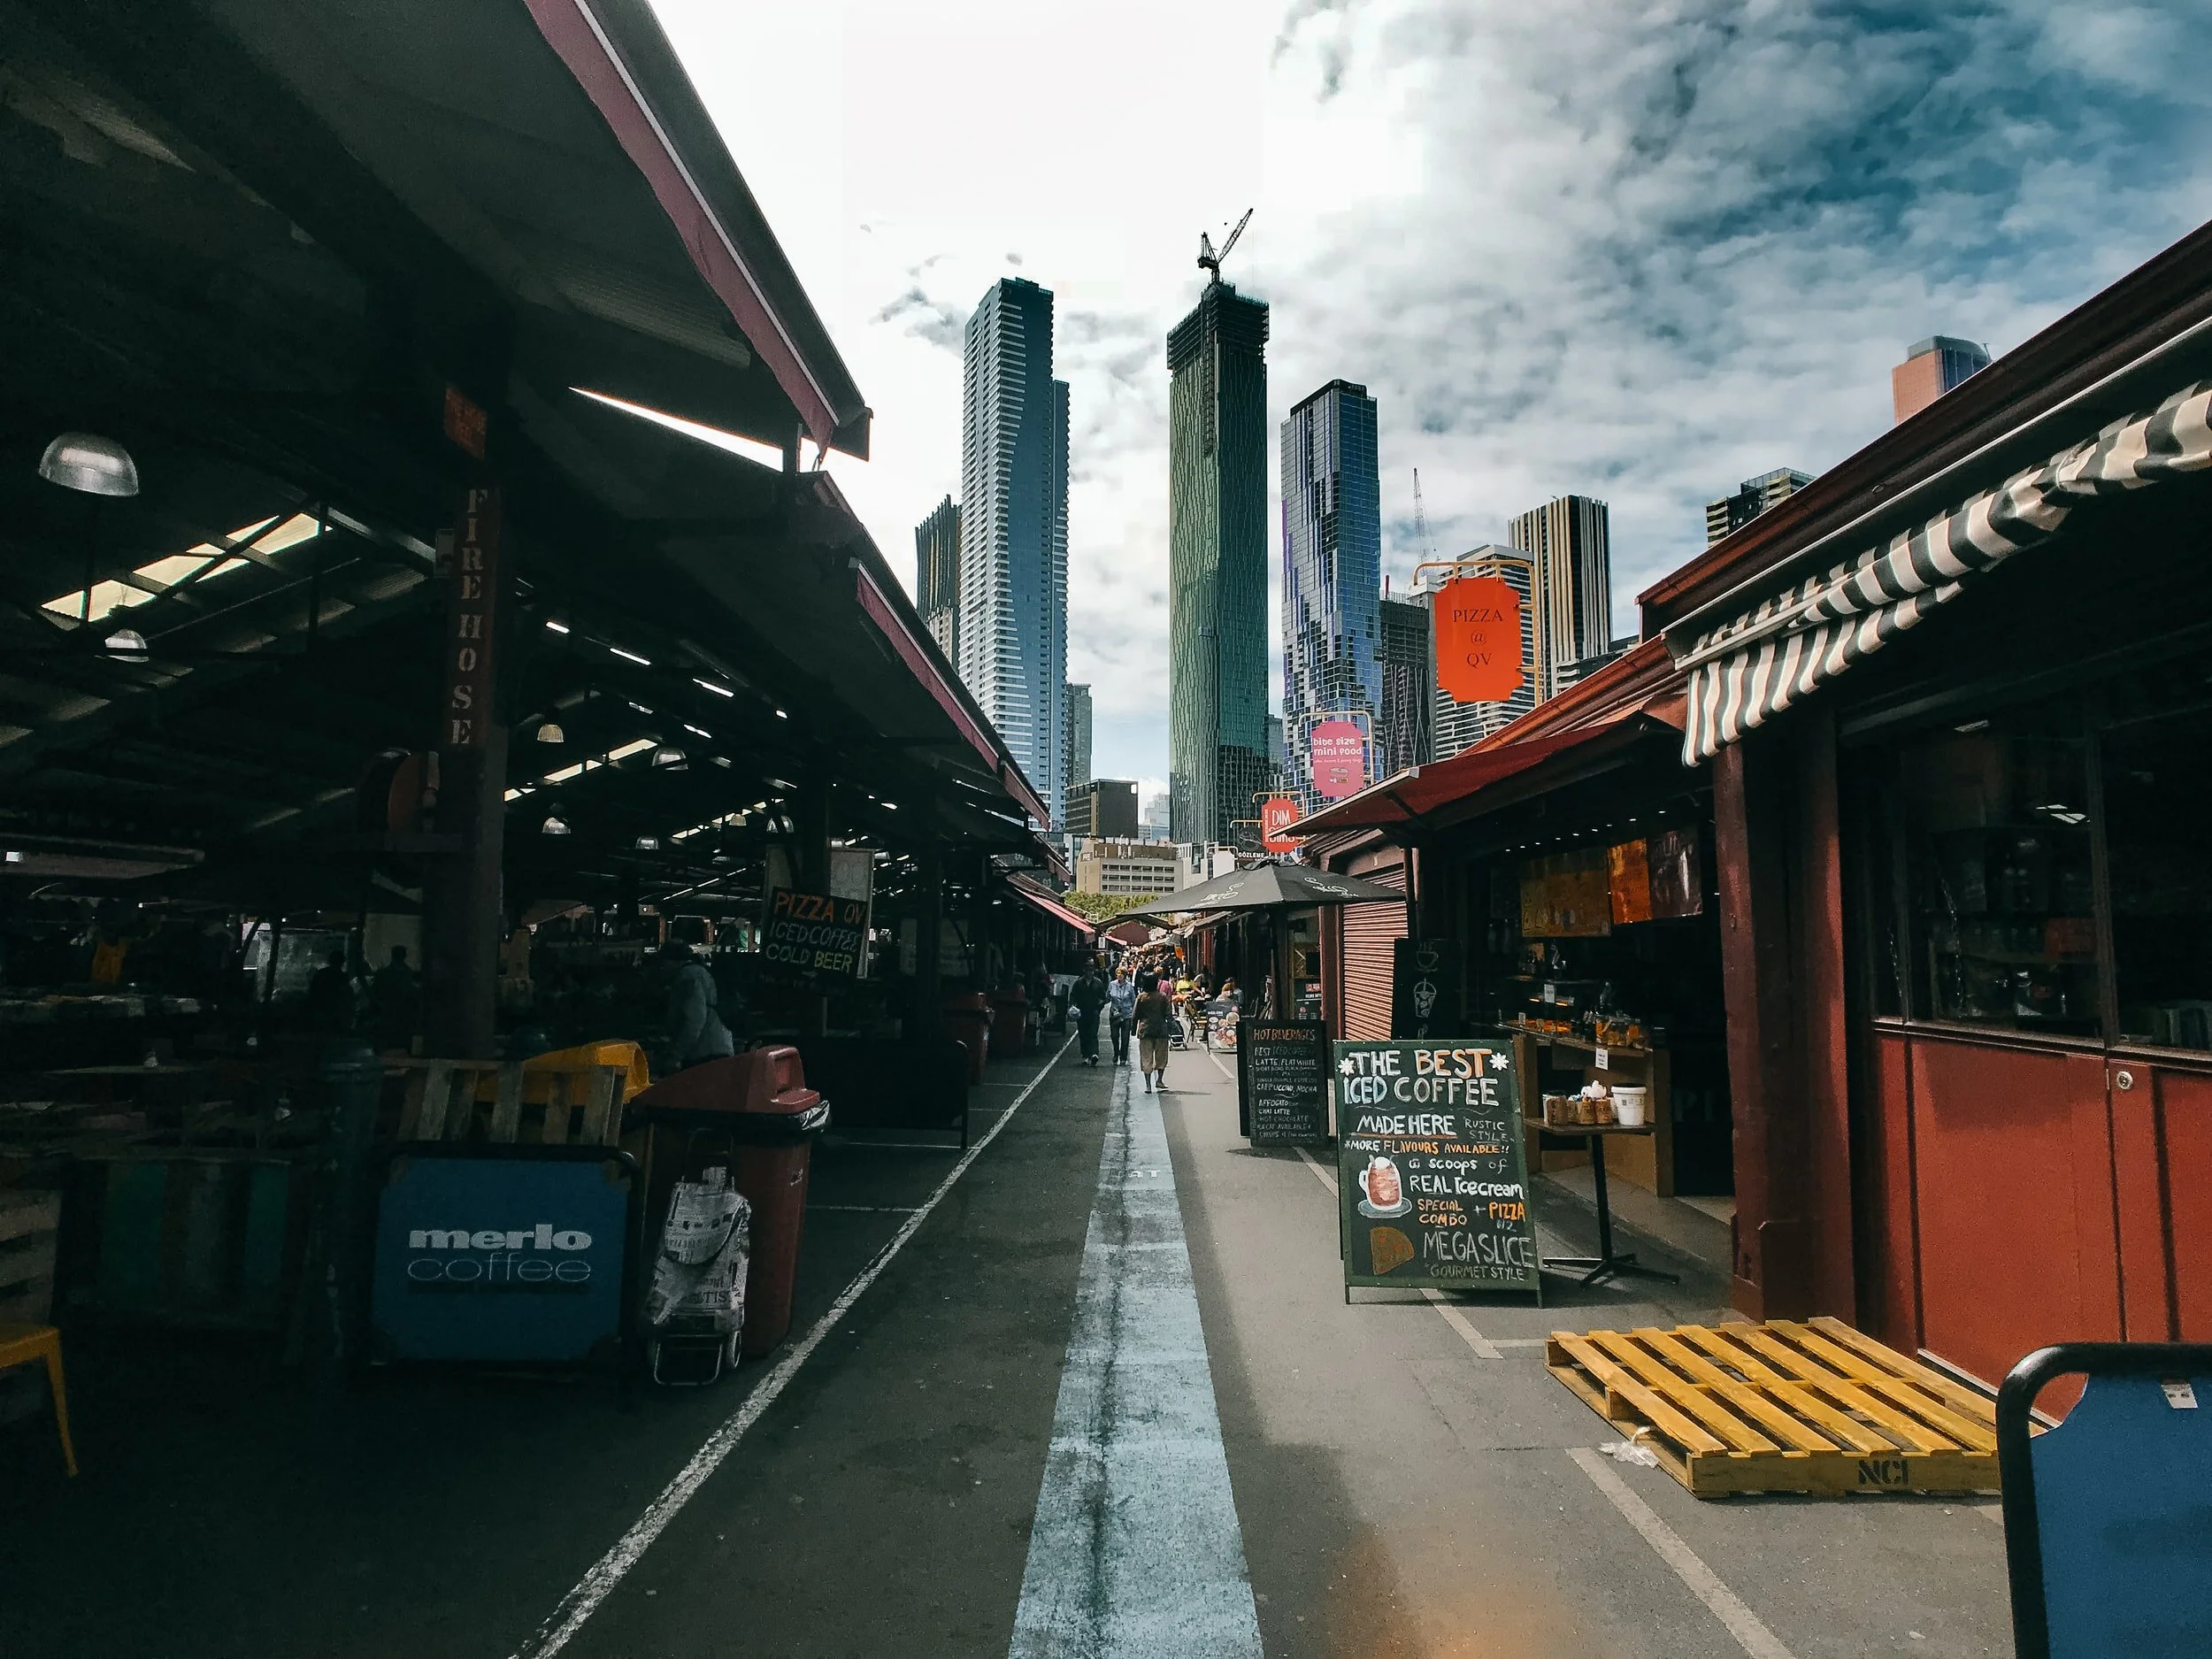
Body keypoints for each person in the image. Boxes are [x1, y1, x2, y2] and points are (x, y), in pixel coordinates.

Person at [664, 941, 733, 1069]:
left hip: (705, 1052)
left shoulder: (688, 976)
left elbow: (694, 1019)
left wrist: (676, 1055)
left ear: (671, 961)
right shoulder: (700, 972)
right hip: (718, 1047)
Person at [369, 944, 421, 1053]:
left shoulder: (383, 974)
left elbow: (375, 995)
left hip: (393, 1017)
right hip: (399, 1018)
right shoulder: (409, 975)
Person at [1134, 972, 1175, 1094]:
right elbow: (1168, 1014)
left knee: (1146, 1058)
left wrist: (1133, 1028)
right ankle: (1159, 1080)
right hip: (1161, 1030)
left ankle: (1148, 1085)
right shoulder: (1162, 997)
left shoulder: (1141, 997)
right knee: (1161, 1057)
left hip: (1145, 1030)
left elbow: (1135, 1014)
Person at [305, 947, 355, 1036]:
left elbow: (312, 994)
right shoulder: (342, 977)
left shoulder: (321, 975)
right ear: (342, 963)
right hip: (331, 1016)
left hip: (323, 1015)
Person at [1071, 964, 1106, 1066]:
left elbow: (1103, 997)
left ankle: (1094, 1054)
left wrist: (1099, 1008)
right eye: (1088, 971)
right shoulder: (1078, 983)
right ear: (1084, 971)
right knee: (1083, 1034)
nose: (1090, 973)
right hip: (1082, 1012)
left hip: (1094, 1011)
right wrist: (1073, 1008)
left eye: (1091, 971)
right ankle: (1086, 1055)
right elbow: (1073, 996)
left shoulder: (1098, 983)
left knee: (1093, 1033)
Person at [1107, 966, 1136, 1065]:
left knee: (1125, 1038)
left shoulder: (1129, 987)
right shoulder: (1112, 984)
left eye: (1121, 973)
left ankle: (1123, 1057)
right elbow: (1107, 997)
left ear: (1125, 975)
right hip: (1114, 1014)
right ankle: (1116, 1053)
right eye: (1118, 973)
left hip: (1126, 1014)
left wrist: (1133, 1014)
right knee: (1114, 1036)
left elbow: (1133, 1001)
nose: (1119, 975)